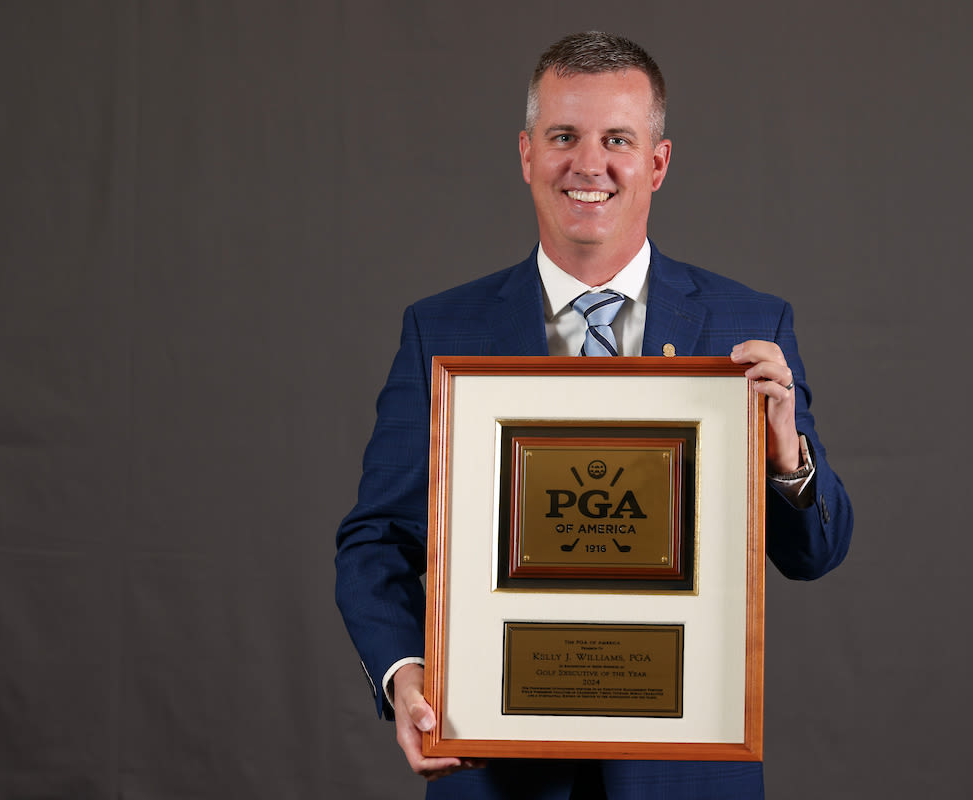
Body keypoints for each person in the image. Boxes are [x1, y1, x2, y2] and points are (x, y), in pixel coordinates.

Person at [336, 31, 853, 799]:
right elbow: (376, 540)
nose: (589, 164)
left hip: (682, 779)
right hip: (497, 773)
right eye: (563, 137)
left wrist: (787, 460)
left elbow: (815, 552)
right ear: (526, 155)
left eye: (618, 139)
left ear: (656, 162)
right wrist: (404, 678)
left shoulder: (749, 326)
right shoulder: (441, 332)